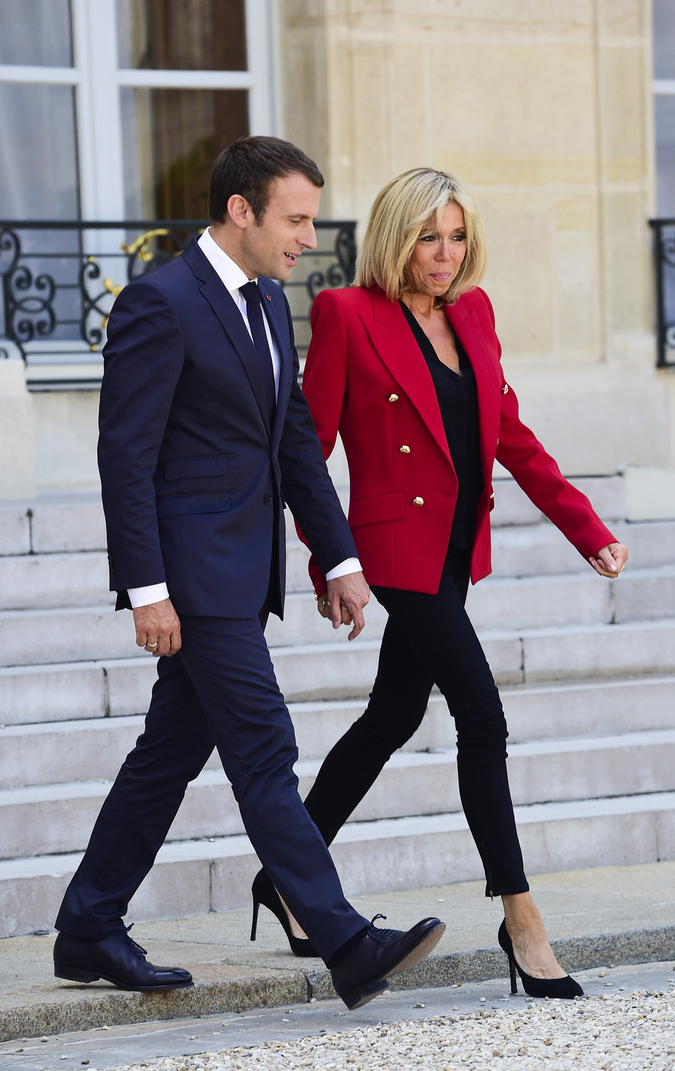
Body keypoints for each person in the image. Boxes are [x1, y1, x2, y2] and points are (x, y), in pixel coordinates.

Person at [51, 138, 445, 1012]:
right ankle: (346, 942)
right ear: (242, 210)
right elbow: (126, 456)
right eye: (295, 219)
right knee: (265, 748)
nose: (308, 237)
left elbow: (293, 442)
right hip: (193, 582)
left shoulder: (267, 300)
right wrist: (147, 590)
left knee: (167, 755)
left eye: (311, 220)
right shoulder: (160, 303)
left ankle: (88, 924)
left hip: (241, 574)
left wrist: (338, 556)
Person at [251, 166, 629, 1000]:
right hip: (393, 551)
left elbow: (510, 434)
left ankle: (283, 875)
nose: (444, 254)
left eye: (456, 237)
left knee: (391, 716)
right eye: (428, 237)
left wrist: (587, 529)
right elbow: (308, 451)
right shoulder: (348, 313)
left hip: (453, 550)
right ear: (397, 238)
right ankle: (522, 919)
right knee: (481, 714)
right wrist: (330, 562)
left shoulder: (475, 312)